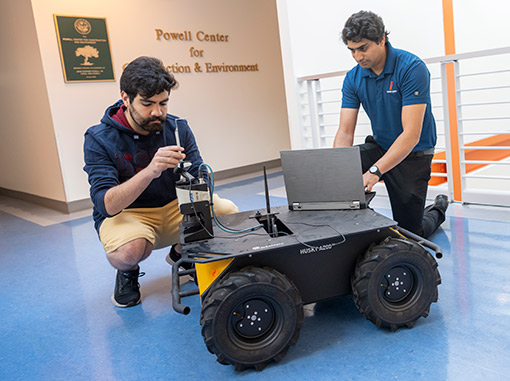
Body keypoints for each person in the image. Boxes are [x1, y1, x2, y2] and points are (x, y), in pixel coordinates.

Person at [84, 56, 238, 308]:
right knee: (130, 250)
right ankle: (128, 272)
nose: (157, 112)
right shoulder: (99, 138)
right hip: (130, 214)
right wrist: (150, 171)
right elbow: (106, 205)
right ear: (125, 98)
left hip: (174, 207)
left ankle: (182, 254)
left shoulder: (178, 127)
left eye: (163, 103)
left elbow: (201, 172)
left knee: (227, 213)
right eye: (147, 104)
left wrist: (199, 185)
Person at [333, 11, 448, 238]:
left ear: (381, 40)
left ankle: (437, 209)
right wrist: (334, 169)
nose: (357, 57)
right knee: (338, 168)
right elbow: (345, 131)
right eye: (352, 50)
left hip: (413, 154)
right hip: (380, 146)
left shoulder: (411, 68)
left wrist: (375, 171)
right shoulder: (353, 78)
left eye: (363, 48)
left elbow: (411, 134)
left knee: (410, 234)